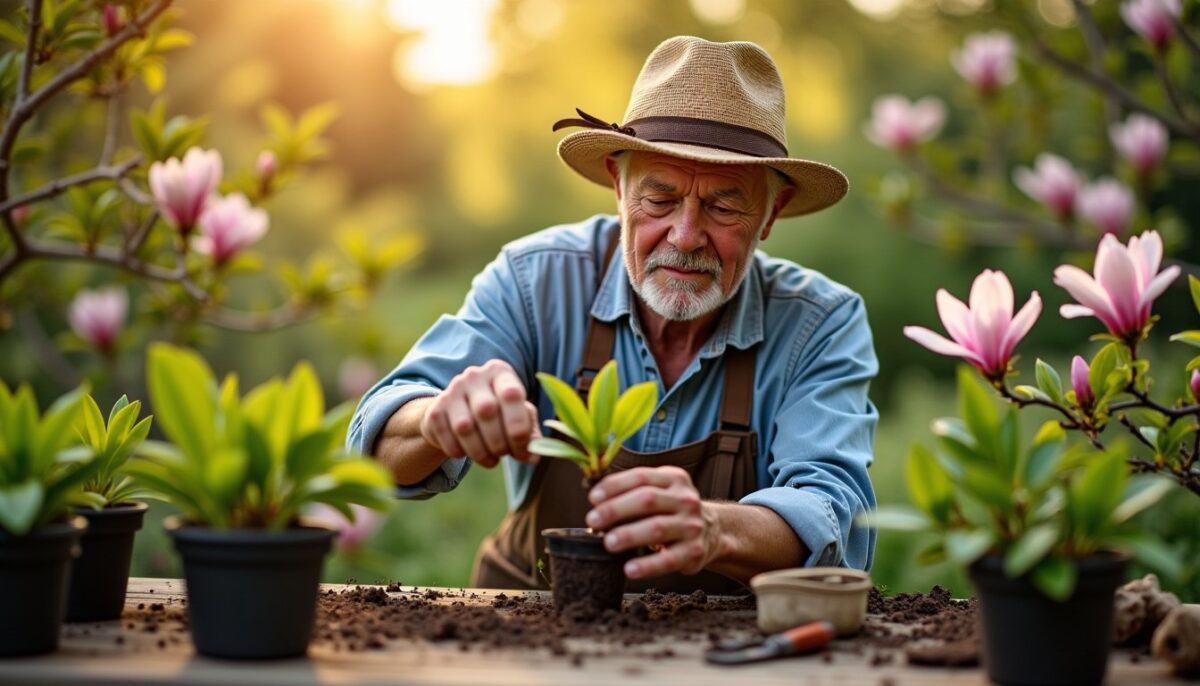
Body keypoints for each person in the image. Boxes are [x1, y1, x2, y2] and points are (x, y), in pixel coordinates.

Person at [347, 36, 878, 593]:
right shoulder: (535, 281)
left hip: (722, 655)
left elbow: (834, 515)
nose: (686, 235)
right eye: (660, 198)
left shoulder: (821, 324)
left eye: (723, 204)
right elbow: (375, 443)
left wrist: (714, 527)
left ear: (772, 213)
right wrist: (434, 419)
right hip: (530, 634)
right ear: (618, 187)